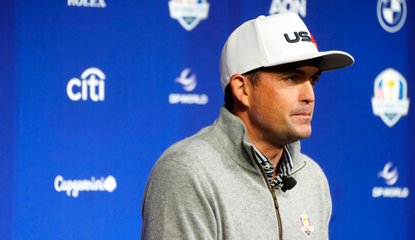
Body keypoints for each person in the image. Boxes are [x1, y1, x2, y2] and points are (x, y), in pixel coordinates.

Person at [141, 12, 354, 239]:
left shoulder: (312, 178)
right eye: (292, 78)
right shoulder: (187, 173)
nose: (309, 95)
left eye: (313, 80)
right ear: (242, 89)